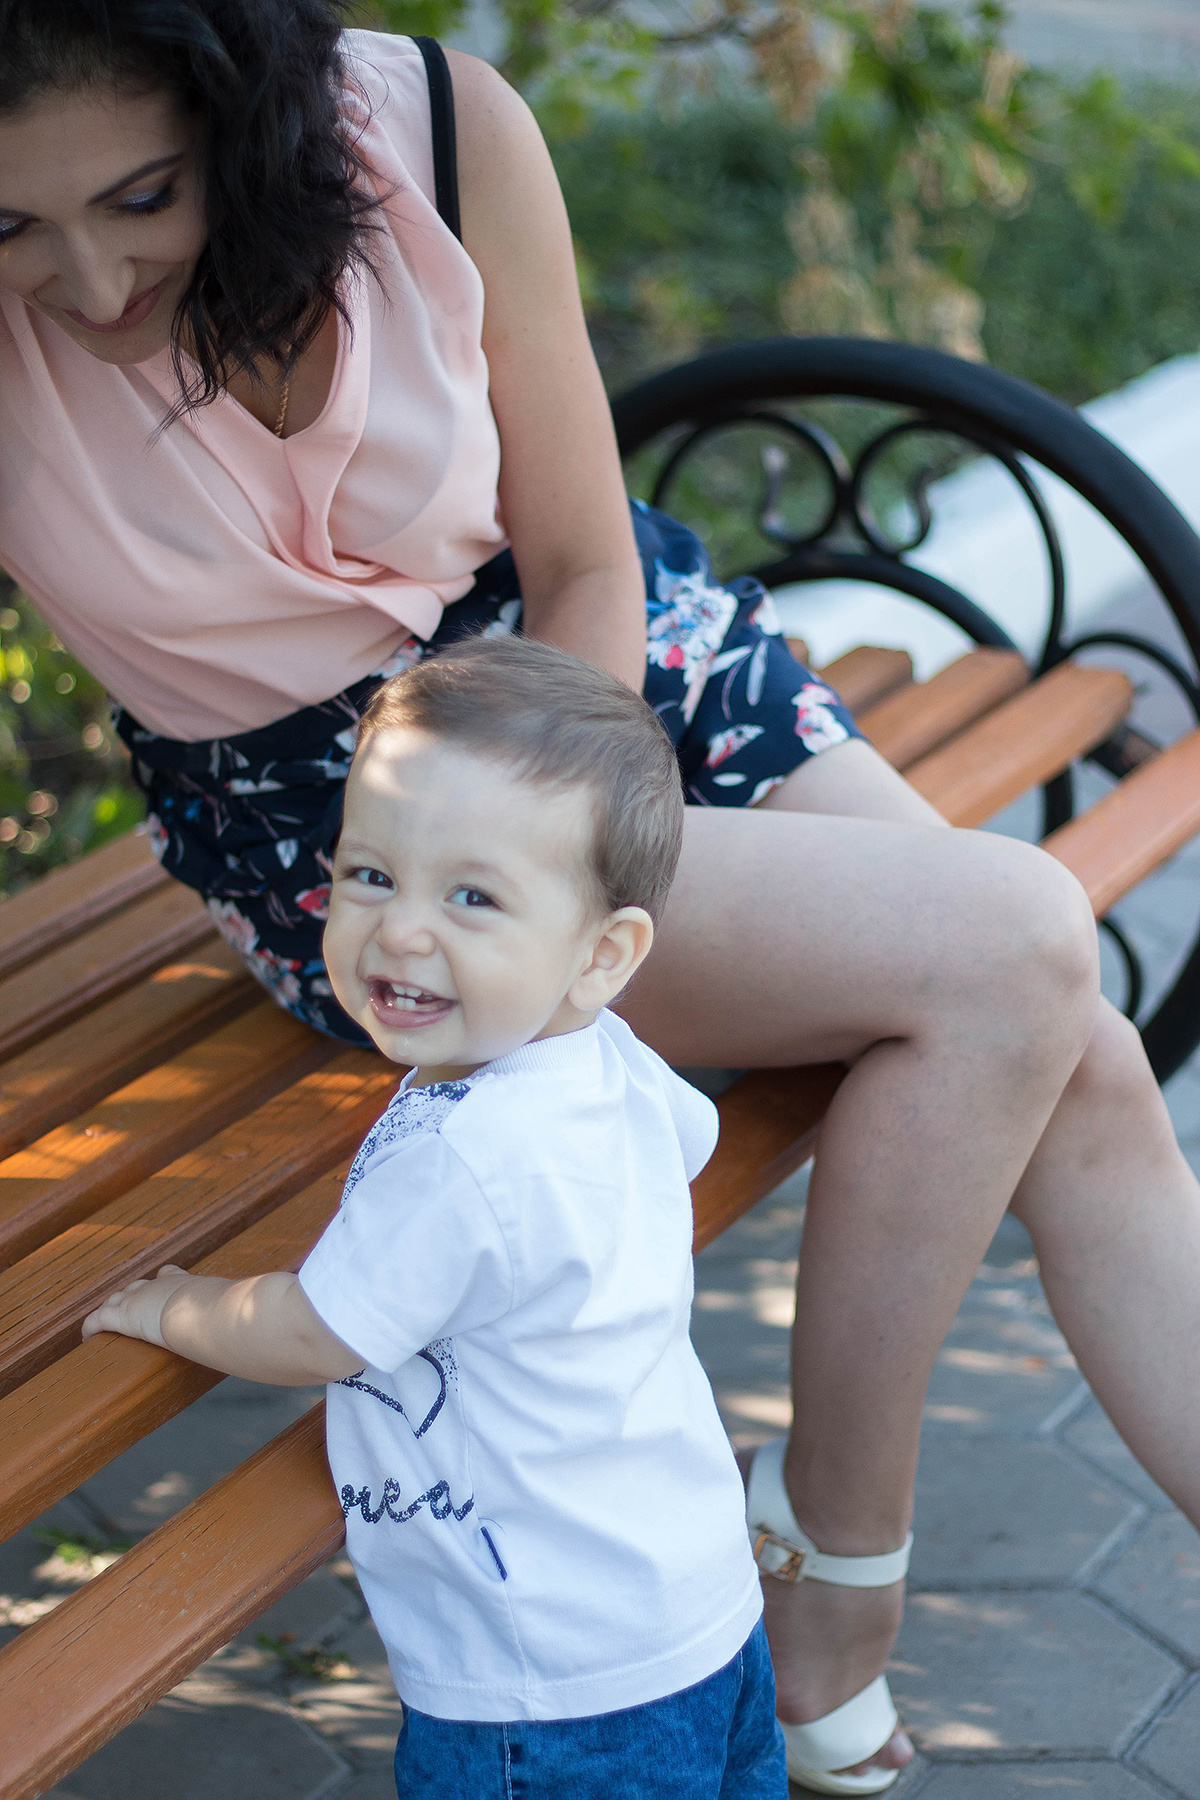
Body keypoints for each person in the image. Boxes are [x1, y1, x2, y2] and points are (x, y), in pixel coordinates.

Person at [3, 2, 1200, 1790]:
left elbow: (577, 554)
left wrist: (581, 832)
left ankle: (821, 1555)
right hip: (350, 821)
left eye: (141, 196)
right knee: (1019, 952)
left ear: (239, 114)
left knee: (1062, 1034)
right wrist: (498, 876)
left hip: (614, 665)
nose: (91, 281)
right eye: (10, 225)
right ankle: (835, 1569)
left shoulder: (431, 129)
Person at [84, 636, 789, 1800]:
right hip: (696, 1605)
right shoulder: (604, 1059)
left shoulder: (467, 1152)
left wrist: (177, 1307)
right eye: (371, 875)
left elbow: (315, 1333)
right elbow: (690, 1141)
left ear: (602, 954)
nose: (403, 930)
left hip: (546, 1684)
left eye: (473, 896)